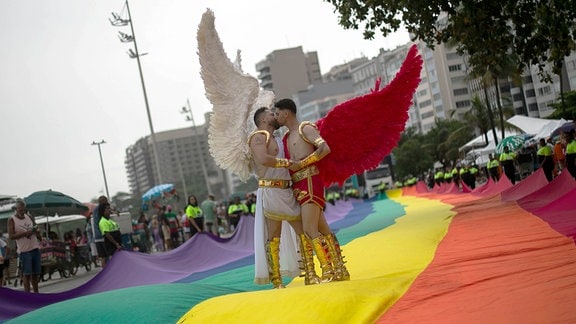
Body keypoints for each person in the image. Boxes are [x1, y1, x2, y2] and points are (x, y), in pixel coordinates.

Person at [275, 98, 350, 283]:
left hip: (310, 181)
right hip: (296, 185)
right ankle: (340, 269)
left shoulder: (305, 129)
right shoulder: (285, 138)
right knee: (322, 228)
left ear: (286, 113)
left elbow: (324, 148)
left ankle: (327, 271)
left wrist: (302, 163)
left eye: (277, 113)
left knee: (309, 229)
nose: (276, 117)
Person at [249, 107, 304, 288]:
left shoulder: (279, 139)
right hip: (271, 191)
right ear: (263, 119)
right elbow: (263, 159)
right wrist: (289, 163)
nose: (275, 115)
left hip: (287, 190)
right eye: (271, 113)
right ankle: (277, 280)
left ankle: (309, 272)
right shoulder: (258, 137)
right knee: (274, 236)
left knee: (303, 232)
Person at [8, 199, 41, 293]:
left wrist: (37, 233)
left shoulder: (29, 216)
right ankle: (28, 296)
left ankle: (36, 294)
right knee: (26, 274)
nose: (22, 212)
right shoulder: (12, 219)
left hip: (35, 248)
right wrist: (25, 233)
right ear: (16, 209)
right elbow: (11, 236)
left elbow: (36, 227)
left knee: (35, 274)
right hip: (24, 251)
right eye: (20, 210)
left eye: (24, 210)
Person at [91, 196, 109, 268]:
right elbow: (107, 215)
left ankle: (104, 272)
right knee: (109, 254)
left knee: (103, 257)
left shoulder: (95, 209)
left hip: (96, 237)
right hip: (102, 234)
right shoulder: (101, 208)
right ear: (104, 201)